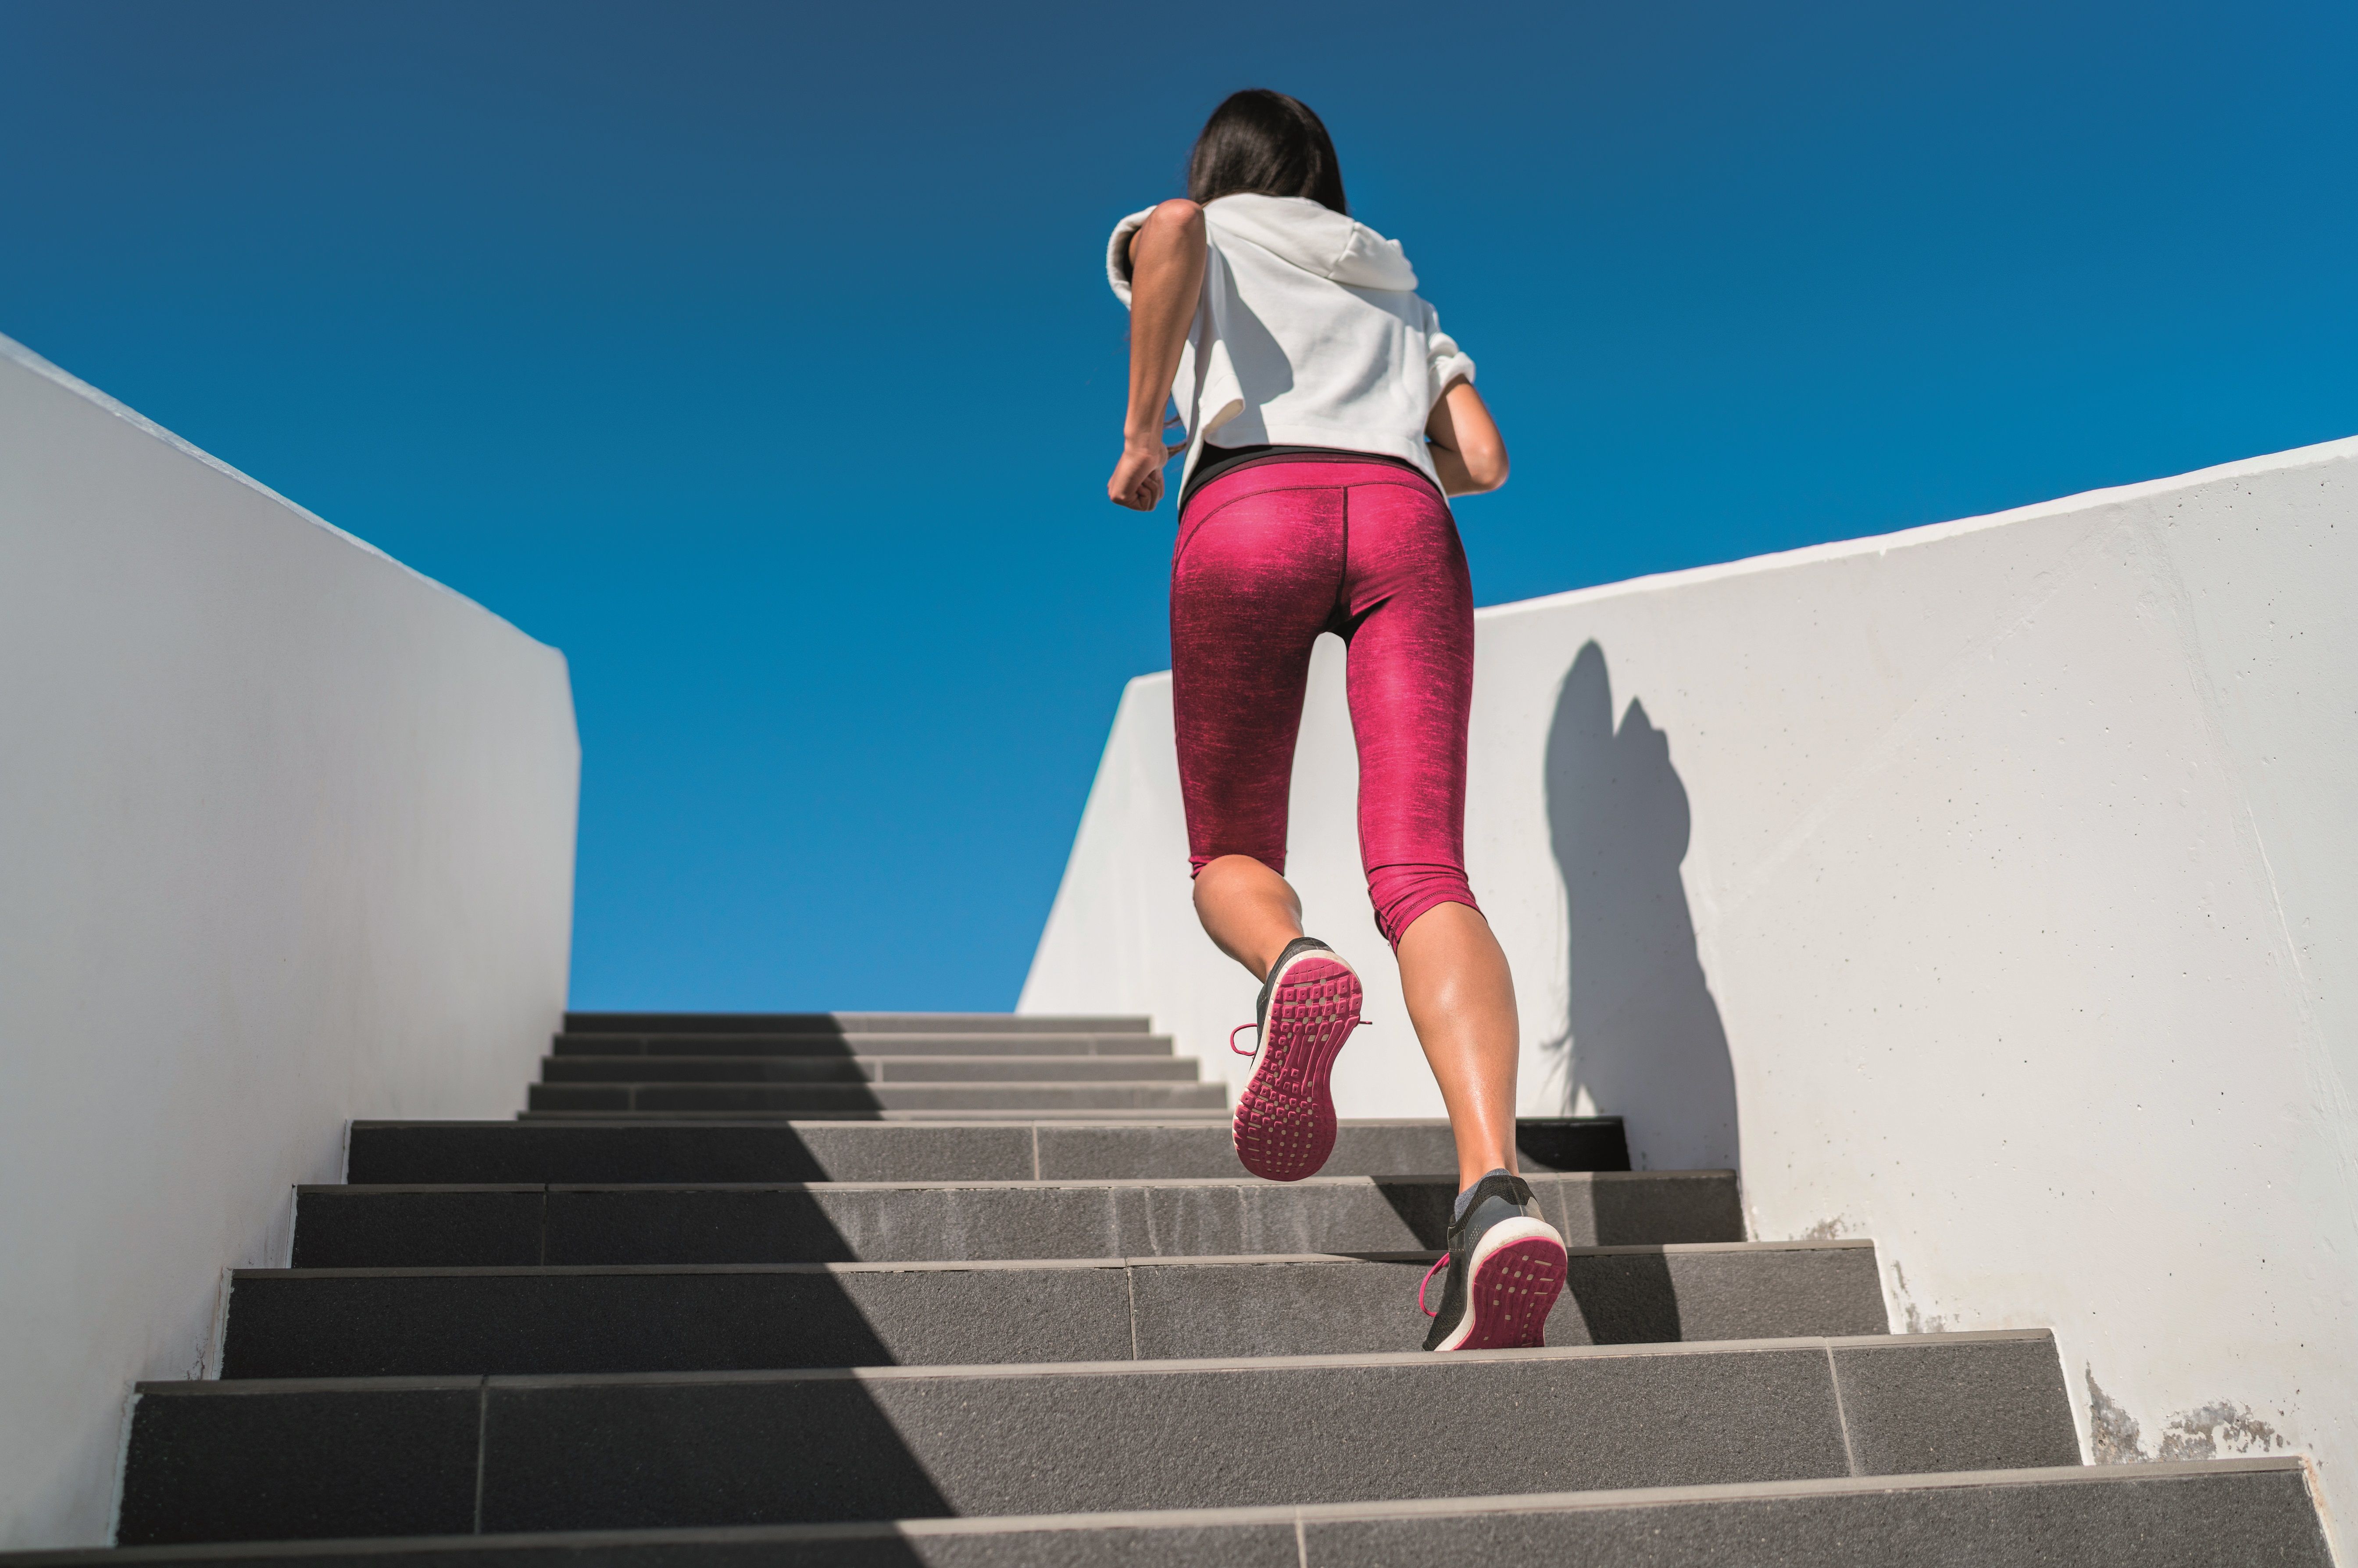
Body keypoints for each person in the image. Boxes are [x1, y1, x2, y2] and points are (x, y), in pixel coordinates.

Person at [1104, 89, 1568, 1352]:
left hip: (1251, 503)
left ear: (1222, 164)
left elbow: (1175, 234)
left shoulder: (1207, 227)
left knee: (1231, 855)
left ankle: (1292, 964)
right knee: (1424, 873)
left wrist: (1144, 435)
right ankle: (1495, 1194)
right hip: (1406, 519)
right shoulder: (1397, 288)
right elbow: (1483, 460)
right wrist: (1382, 433)